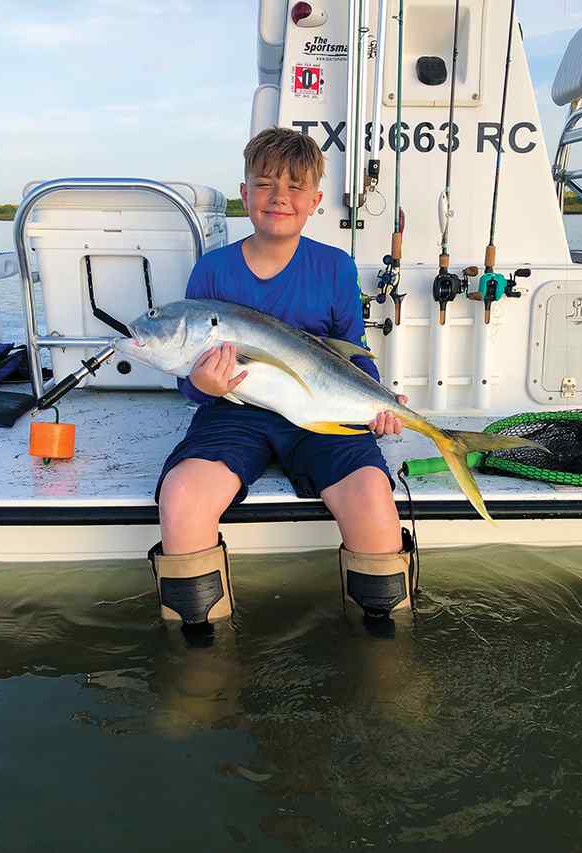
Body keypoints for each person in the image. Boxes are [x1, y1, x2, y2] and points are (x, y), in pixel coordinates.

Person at [148, 127, 413, 628]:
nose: (279, 198)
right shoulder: (212, 271)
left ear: (314, 200)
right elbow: (188, 373)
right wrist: (202, 386)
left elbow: (352, 352)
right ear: (244, 194)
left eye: (294, 188)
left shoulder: (334, 266)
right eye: (265, 184)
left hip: (319, 413)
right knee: (181, 496)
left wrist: (379, 402)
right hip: (234, 413)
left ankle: (387, 650)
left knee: (374, 500)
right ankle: (202, 654)